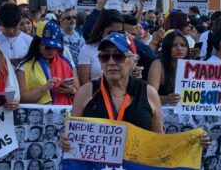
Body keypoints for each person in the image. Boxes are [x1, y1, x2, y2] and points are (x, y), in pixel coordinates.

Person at [60, 32, 211, 161]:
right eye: (105, 56)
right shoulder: (86, 92)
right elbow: (72, 137)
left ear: (134, 61)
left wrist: (192, 142)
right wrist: (65, 141)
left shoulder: (149, 93)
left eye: (119, 56)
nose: (111, 62)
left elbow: (159, 141)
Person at [16, 20, 79, 105]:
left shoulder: (67, 63)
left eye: (55, 47)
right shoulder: (23, 66)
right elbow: (21, 98)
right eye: (48, 47)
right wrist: (44, 88)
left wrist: (72, 91)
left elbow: (79, 94)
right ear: (38, 44)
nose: (52, 51)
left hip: (63, 114)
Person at [78, 9, 124, 84]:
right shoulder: (87, 49)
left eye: (119, 32)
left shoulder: (125, 48)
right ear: (101, 30)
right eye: (110, 32)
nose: (115, 36)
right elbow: (84, 83)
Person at [147, 30, 189, 105]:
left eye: (183, 45)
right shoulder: (158, 65)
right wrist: (166, 99)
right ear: (167, 48)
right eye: (174, 45)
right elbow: (149, 96)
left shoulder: (193, 65)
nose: (179, 48)